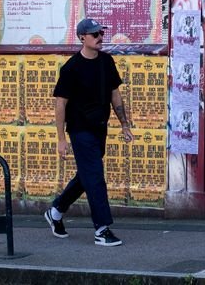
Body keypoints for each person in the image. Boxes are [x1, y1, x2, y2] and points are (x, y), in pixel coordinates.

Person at [44, 18, 132, 246]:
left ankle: (56, 210)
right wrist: (61, 139)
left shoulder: (106, 62)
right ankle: (102, 229)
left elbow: (115, 95)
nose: (100, 37)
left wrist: (124, 124)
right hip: (79, 129)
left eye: (101, 33)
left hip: (100, 128)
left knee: (86, 175)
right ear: (82, 38)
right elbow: (60, 104)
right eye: (95, 34)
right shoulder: (71, 68)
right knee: (94, 176)